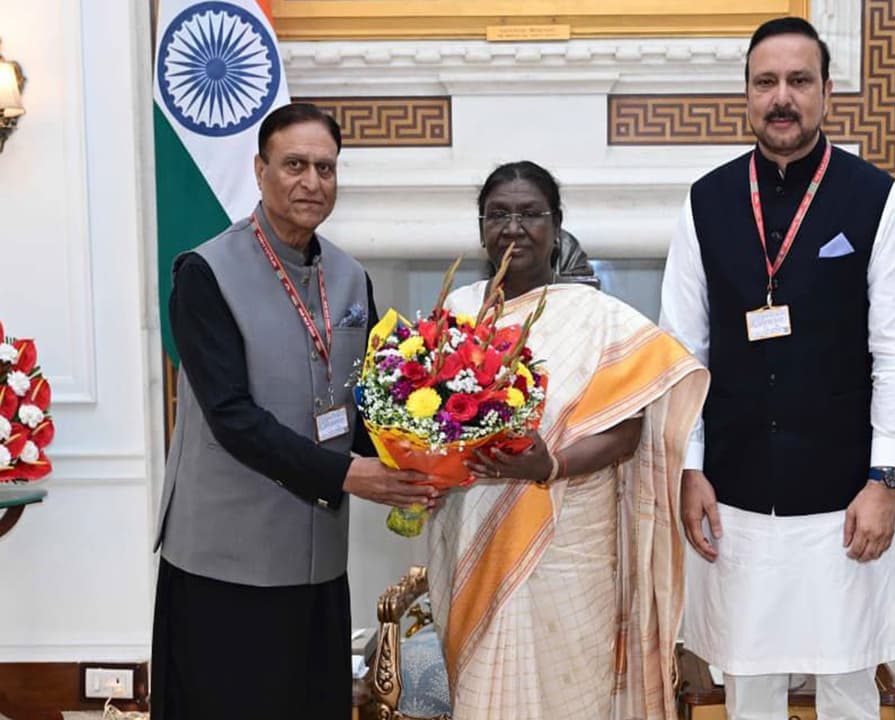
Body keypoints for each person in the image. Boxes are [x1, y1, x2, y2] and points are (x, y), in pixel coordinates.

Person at [659, 16, 895, 720]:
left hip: (845, 495)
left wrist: (886, 479)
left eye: (799, 81)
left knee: (849, 685)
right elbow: (681, 353)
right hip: (733, 493)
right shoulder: (707, 202)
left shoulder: (874, 198)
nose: (782, 97)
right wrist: (689, 468)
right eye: (766, 82)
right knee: (747, 682)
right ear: (745, 94)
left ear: (826, 91)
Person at [151, 102, 443, 720]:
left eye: (326, 168)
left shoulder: (350, 275)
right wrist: (351, 475)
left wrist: (420, 463)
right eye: (295, 165)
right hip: (227, 560)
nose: (312, 182)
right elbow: (232, 417)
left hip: (317, 559)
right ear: (260, 170)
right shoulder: (205, 273)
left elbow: (364, 402)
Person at [423, 160, 708, 719]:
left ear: (556, 226)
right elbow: (429, 421)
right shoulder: (456, 314)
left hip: (572, 547)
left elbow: (628, 432)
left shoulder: (600, 319)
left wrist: (549, 465)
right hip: (474, 531)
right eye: (498, 215)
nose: (513, 228)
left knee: (573, 693)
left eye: (530, 214)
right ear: (481, 228)